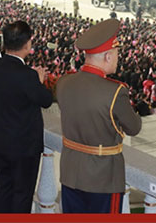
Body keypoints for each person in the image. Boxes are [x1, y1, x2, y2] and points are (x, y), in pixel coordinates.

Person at [56, 18, 142, 214]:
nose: (118, 59)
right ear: (108, 57)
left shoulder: (64, 82)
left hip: (70, 173)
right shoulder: (115, 92)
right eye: (117, 54)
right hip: (103, 178)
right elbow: (134, 127)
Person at [0, 20, 52, 213]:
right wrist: (39, 80)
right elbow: (46, 100)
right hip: (24, 146)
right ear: (27, 44)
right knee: (22, 194)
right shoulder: (28, 75)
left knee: (3, 189)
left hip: (1, 141)